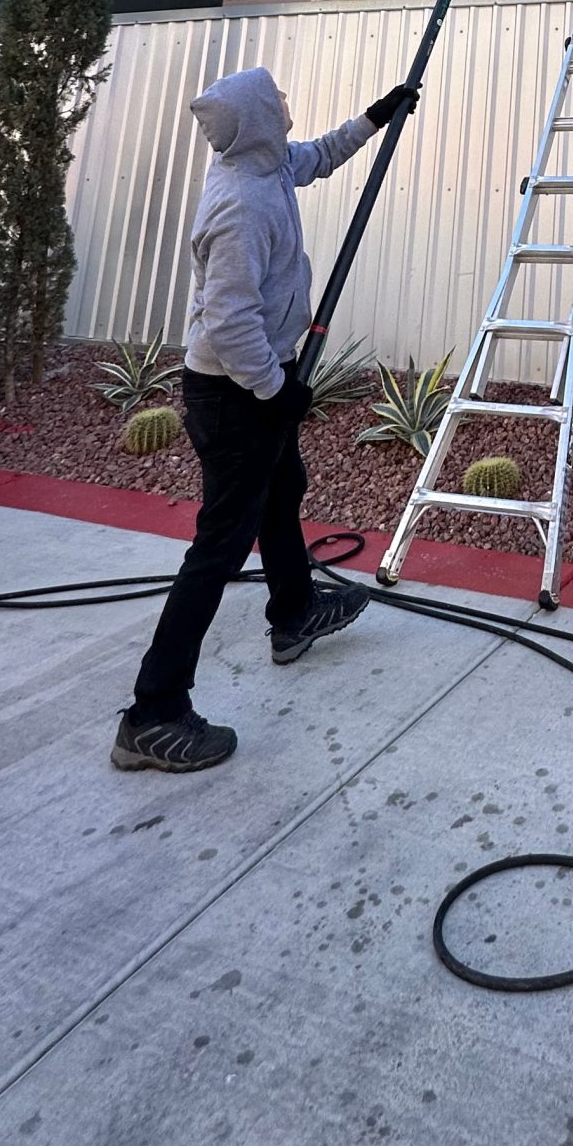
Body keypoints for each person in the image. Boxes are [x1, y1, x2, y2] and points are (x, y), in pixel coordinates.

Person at [112, 65, 418, 773]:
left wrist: (375, 118)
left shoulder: (269, 163)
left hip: (247, 388)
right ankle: (152, 712)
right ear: (254, 118)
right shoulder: (240, 203)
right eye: (276, 98)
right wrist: (273, 389)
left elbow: (315, 158)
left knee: (282, 491)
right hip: (231, 395)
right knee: (217, 547)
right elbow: (227, 320)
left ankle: (294, 612)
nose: (286, 103)